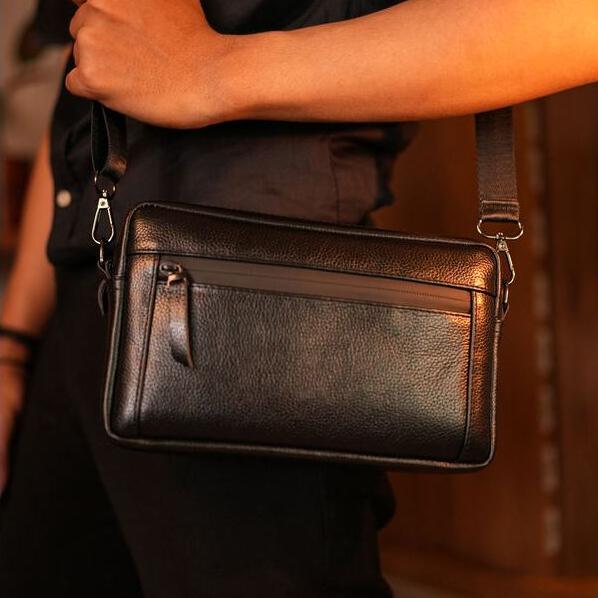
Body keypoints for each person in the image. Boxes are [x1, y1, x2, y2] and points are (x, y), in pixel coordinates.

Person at [1, 1, 597, 596]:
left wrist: (214, 70)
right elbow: (88, 78)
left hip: (265, 317)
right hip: (83, 306)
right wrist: (13, 346)